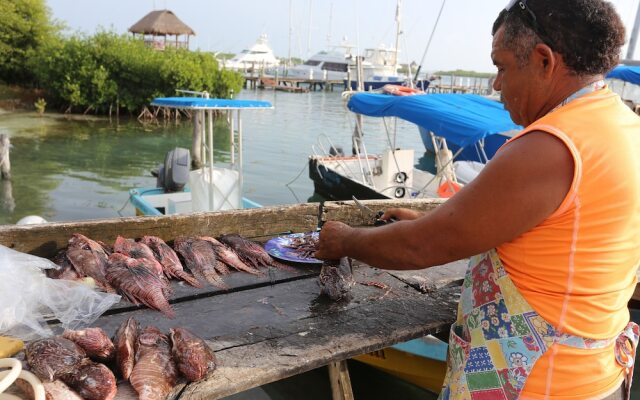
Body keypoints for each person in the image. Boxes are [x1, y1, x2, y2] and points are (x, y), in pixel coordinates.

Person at [315, 0, 640, 399]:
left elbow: (422, 246)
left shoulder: (552, 144)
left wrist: (346, 240)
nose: (496, 85)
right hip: (598, 375)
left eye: (501, 67)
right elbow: (559, 231)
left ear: (543, 61)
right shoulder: (623, 124)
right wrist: (429, 217)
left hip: (535, 383)